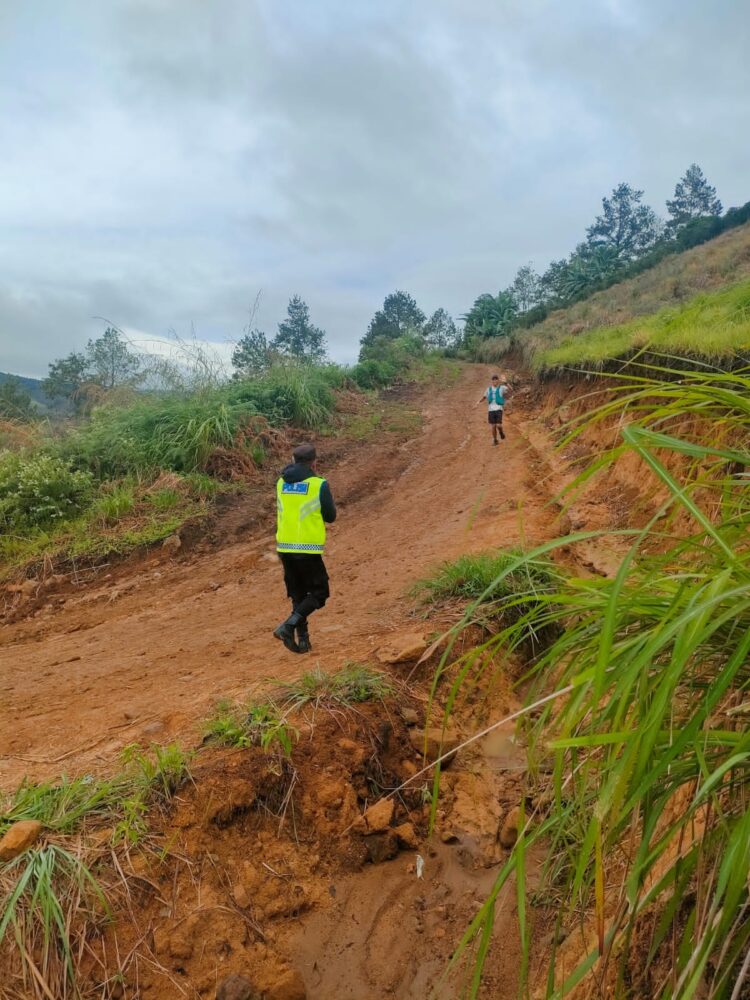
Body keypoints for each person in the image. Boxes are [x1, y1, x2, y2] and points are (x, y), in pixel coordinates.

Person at [273, 443, 336, 653]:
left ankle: (304, 640)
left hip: (285, 547)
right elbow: (331, 517)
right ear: (314, 462)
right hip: (307, 549)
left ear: (293, 460)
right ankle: (288, 626)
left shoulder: (280, 483)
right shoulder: (319, 485)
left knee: (298, 594)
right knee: (320, 593)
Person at [478, 373, 510, 445]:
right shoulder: (488, 389)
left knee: (498, 425)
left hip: (499, 409)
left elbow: (511, 389)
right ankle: (495, 440)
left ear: (498, 381)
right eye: (493, 380)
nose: (495, 381)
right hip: (491, 410)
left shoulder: (502, 388)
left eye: (496, 379)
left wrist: (506, 383)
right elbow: (484, 397)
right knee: (493, 426)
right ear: (492, 381)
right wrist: (478, 402)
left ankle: (501, 432)